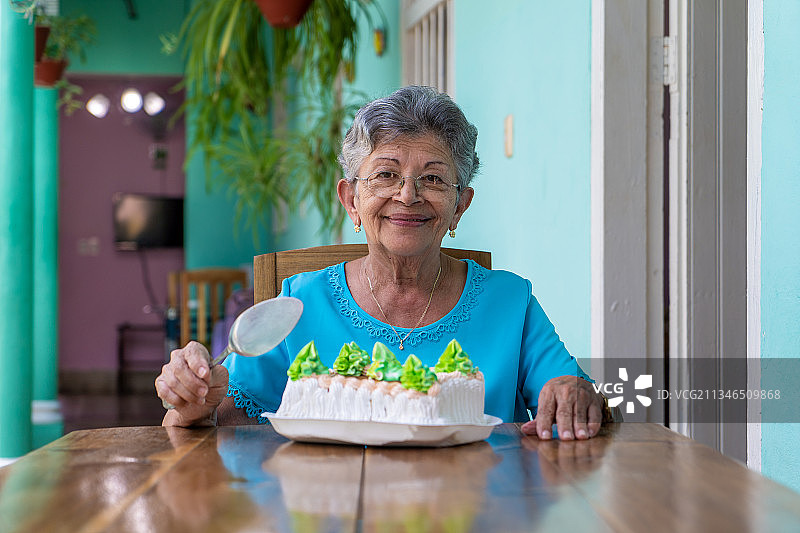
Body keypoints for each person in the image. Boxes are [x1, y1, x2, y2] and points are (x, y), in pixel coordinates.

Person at [155, 86, 608, 440]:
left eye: (432, 178)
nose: (407, 196)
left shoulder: (512, 302)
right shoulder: (299, 303)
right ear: (351, 199)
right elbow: (227, 421)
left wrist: (575, 395)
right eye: (386, 174)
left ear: (459, 205)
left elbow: (581, 400)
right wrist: (196, 401)